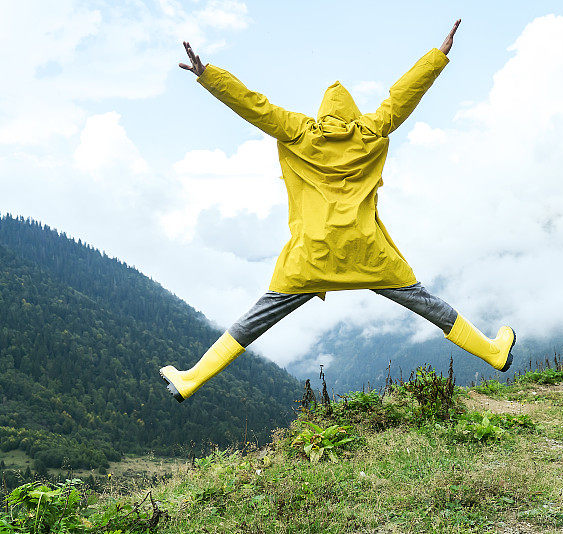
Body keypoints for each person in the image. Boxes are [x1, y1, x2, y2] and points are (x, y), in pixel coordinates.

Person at [160, 20, 516, 403]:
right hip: (368, 253)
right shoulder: (370, 131)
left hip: (310, 257)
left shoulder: (298, 131)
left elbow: (253, 105)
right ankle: (493, 352)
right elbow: (401, 99)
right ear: (352, 111)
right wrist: (437, 56)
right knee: (428, 304)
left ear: (321, 112)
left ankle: (192, 378)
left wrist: (208, 75)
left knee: (255, 321)